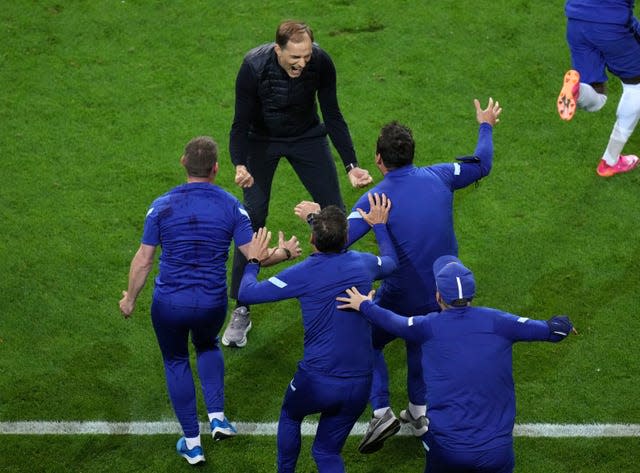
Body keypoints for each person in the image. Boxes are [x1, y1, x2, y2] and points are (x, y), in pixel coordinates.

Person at [295, 98, 502, 453]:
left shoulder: (374, 201)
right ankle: (419, 414)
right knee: (418, 341)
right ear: (412, 153)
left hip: (399, 295)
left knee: (367, 340)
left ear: (378, 159)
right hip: (441, 295)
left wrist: (315, 219)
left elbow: (334, 244)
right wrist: (485, 124)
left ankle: (381, 411)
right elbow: (481, 163)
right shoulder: (441, 175)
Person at [118, 136, 301, 465]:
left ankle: (192, 442)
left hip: (169, 304)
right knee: (207, 346)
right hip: (211, 303)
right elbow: (253, 256)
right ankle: (217, 418)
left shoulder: (162, 205)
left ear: (182, 162)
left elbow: (144, 260)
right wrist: (285, 252)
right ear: (216, 169)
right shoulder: (232, 205)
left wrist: (130, 299)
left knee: (176, 360)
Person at [337, 255, 576, 473]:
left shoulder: (427, 327)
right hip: (497, 453)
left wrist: (364, 304)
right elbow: (553, 330)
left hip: (447, 451)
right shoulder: (500, 322)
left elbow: (393, 321)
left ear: (438, 296)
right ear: (471, 295)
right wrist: (563, 324)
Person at [223, 19, 374, 349]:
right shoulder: (252, 67)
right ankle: (242, 306)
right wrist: (240, 164)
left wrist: (351, 164)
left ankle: (348, 295)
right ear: (278, 49)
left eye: (307, 56)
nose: (302, 63)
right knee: (252, 220)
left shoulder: (321, 62)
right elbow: (239, 123)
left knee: (336, 213)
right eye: (295, 58)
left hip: (307, 137)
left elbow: (332, 114)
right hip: (260, 141)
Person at [237, 194, 397, 473]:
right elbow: (391, 262)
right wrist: (379, 225)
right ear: (346, 237)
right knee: (326, 452)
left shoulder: (302, 273)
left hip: (317, 380)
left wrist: (253, 261)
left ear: (312, 240)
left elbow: (246, 292)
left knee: (290, 414)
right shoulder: (364, 264)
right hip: (359, 384)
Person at [557, 0, 640, 177]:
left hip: (576, 21)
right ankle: (610, 161)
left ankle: (577, 91)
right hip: (612, 25)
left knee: (596, 94)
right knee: (637, 87)